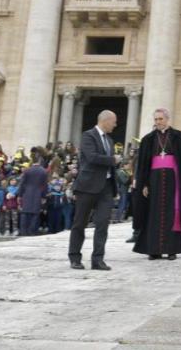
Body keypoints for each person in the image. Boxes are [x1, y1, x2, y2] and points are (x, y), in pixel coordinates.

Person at [132, 108, 181, 260]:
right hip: (154, 181)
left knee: (173, 212)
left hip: (174, 180)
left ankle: (172, 249)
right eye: (156, 119)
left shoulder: (179, 137)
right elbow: (143, 164)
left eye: (160, 119)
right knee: (153, 213)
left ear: (167, 119)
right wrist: (144, 184)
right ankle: (154, 250)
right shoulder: (148, 139)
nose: (158, 122)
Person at [68, 110, 121, 271]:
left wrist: (115, 164)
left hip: (105, 187)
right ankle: (75, 257)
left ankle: (98, 259)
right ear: (105, 121)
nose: (115, 125)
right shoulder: (88, 136)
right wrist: (112, 160)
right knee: (80, 223)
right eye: (114, 122)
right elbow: (91, 157)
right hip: (87, 186)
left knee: (103, 224)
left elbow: (108, 164)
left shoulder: (110, 141)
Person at [19, 159, 47, 236]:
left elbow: (22, 183)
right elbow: (44, 185)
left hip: (27, 193)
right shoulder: (43, 171)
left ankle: (23, 231)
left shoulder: (27, 170)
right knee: (35, 214)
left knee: (25, 212)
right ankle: (32, 231)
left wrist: (20, 195)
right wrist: (44, 196)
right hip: (38, 194)